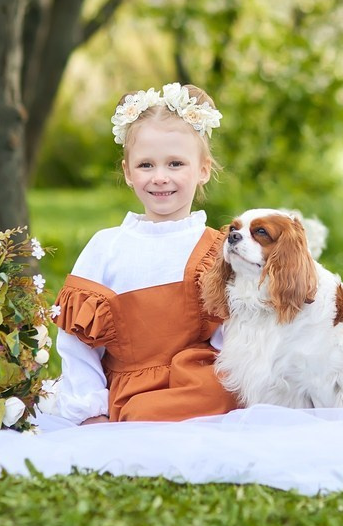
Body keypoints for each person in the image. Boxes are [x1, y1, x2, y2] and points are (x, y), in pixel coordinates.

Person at [42, 83, 237, 424]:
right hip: (134, 389)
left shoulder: (217, 250)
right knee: (144, 412)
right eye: (146, 165)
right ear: (128, 173)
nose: (160, 177)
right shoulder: (107, 247)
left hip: (199, 381)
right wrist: (90, 409)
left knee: (221, 392)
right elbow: (78, 343)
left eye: (175, 163)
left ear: (203, 169)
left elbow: (232, 339)